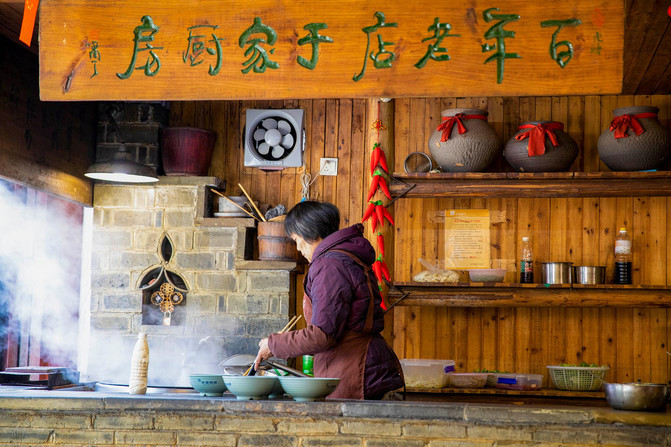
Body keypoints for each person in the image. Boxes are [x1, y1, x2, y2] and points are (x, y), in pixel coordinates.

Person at [254, 201, 404, 400]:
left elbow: (322, 334)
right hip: (363, 367)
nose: (298, 248)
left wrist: (274, 344)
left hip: (356, 372)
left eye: (297, 239)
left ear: (310, 233)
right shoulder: (343, 257)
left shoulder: (330, 265)